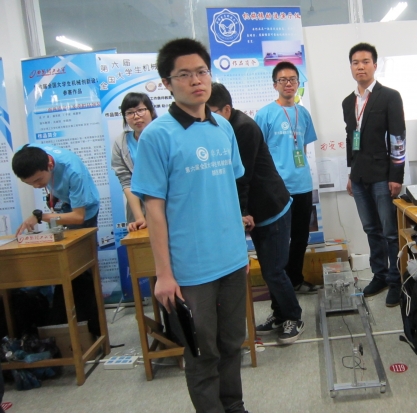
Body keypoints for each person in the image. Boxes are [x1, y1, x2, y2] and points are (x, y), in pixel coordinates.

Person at [131, 38, 249, 413]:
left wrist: (242, 249)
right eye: (184, 75)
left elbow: (228, 189)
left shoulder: (223, 127)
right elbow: (153, 210)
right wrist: (164, 274)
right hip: (191, 270)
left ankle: (235, 407)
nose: (196, 80)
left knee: (232, 344)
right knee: (202, 353)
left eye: (202, 72)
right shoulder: (157, 136)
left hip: (232, 260)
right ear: (167, 83)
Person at [207, 82, 305, 344]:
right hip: (257, 212)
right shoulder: (223, 129)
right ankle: (279, 314)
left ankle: (294, 317)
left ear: (227, 109)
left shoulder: (243, 128)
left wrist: (242, 211)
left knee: (274, 270)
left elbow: (243, 176)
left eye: (212, 112)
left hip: (271, 208)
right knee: (269, 268)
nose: (207, 119)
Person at [12, 143, 101, 336]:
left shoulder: (73, 172)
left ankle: (90, 328)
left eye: (38, 180)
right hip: (63, 203)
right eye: (30, 183)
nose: (36, 186)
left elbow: (78, 216)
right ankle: (61, 323)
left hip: (83, 212)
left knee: (80, 268)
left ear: (50, 165)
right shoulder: (30, 153)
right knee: (61, 267)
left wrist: (40, 216)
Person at [342, 42, 406, 307]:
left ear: (375, 65)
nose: (360, 67)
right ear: (351, 67)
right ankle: (379, 275)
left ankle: (396, 281)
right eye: (355, 62)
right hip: (359, 177)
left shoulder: (389, 96)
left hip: (382, 176)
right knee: (371, 229)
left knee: (390, 232)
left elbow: (398, 137)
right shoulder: (348, 102)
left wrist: (396, 176)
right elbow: (351, 138)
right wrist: (351, 172)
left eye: (365, 61)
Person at [254, 62, 319, 294]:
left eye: (293, 79)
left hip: (302, 185)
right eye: (283, 80)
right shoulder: (264, 114)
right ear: (275, 85)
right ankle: (281, 290)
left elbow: (302, 146)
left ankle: (296, 280)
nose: (288, 83)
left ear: (298, 84)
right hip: (277, 189)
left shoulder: (304, 114)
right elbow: (257, 152)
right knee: (278, 241)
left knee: (300, 238)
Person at [111, 92, 157, 231]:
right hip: (138, 208)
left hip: (169, 204)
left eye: (140, 110)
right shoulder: (121, 143)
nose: (136, 116)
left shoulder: (165, 136)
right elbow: (126, 181)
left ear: (151, 111)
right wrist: (139, 217)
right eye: (130, 113)